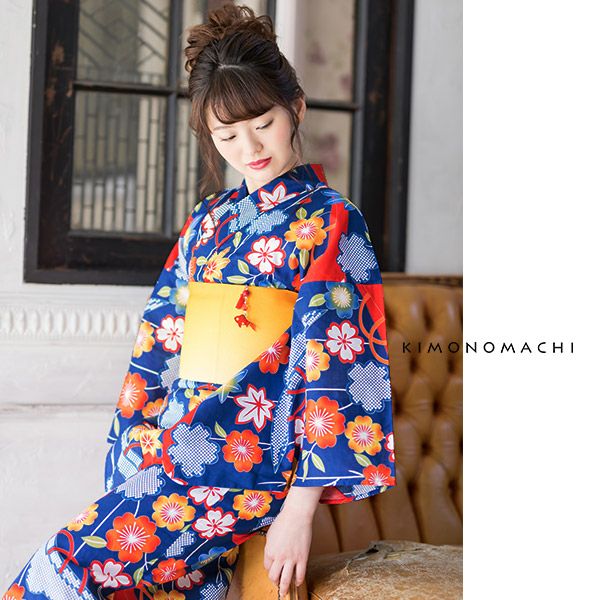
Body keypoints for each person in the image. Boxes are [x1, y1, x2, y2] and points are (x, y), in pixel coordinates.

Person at [2, 4, 396, 599]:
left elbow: (337, 365)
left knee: (64, 569)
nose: (249, 146)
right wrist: (135, 448)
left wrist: (299, 511)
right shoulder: (208, 220)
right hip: (175, 447)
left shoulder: (332, 221)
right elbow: (160, 340)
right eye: (227, 135)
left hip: (248, 456)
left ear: (296, 108)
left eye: (263, 122)